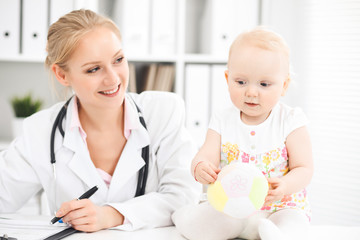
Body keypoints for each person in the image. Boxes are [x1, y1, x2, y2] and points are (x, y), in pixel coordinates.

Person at [0, 9, 200, 232]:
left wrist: (112, 215)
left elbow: (184, 197)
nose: (113, 78)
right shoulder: (41, 131)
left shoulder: (162, 112)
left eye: (118, 60)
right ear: (62, 75)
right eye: (94, 69)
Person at [172, 27, 313, 240]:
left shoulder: (291, 120)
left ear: (284, 86)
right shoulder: (222, 119)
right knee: (205, 224)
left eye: (264, 84)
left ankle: (277, 234)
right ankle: (185, 218)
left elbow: (304, 168)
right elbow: (206, 155)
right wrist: (200, 166)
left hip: (279, 205)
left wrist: (285, 186)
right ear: (228, 78)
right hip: (232, 206)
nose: (251, 92)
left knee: (294, 223)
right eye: (241, 82)